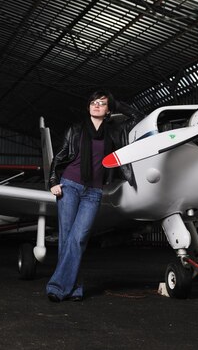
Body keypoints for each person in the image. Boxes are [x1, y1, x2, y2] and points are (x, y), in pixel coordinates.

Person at [46, 90, 143, 302]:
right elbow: (60, 155)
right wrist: (53, 181)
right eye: (93, 102)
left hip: (94, 191)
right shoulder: (76, 129)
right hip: (69, 185)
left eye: (102, 103)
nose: (96, 105)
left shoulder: (115, 131)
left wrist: (116, 102)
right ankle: (67, 288)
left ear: (109, 109)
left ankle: (64, 287)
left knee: (78, 238)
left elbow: (137, 117)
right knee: (67, 238)